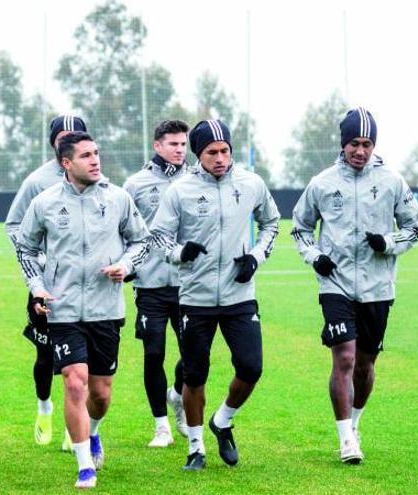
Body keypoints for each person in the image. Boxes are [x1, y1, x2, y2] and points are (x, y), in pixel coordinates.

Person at [15, 131, 150, 489]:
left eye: (96, 153)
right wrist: (37, 287)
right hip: (63, 308)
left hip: (107, 308)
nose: (95, 160)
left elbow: (142, 241)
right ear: (66, 162)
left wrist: (125, 265)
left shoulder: (118, 198)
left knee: (100, 392)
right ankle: (84, 466)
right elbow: (25, 249)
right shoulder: (44, 202)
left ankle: (93, 433)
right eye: (86, 155)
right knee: (75, 383)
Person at [291, 108, 418, 464]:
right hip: (335, 284)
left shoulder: (393, 181)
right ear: (342, 144)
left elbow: (415, 226)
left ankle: (356, 421)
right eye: (354, 144)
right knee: (345, 357)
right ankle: (346, 438)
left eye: (366, 144)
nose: (360, 151)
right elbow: (300, 229)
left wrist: (388, 243)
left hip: (378, 287)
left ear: (374, 145)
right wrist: (315, 256)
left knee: (364, 365)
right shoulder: (322, 182)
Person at [149, 119, 279, 471]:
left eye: (225, 151)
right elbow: (158, 237)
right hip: (195, 297)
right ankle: (196, 447)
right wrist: (179, 252)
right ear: (198, 154)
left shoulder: (251, 183)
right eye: (211, 152)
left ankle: (222, 420)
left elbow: (272, 223)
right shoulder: (180, 190)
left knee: (252, 367)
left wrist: (256, 256)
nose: (220, 158)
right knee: (194, 375)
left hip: (240, 295)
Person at [5, 114, 87, 448]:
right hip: (46, 285)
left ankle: (75, 428)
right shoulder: (37, 182)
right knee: (45, 354)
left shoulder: (95, 177)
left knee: (82, 360)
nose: (67, 139)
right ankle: (44, 407)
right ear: (52, 141)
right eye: (62, 135)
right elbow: (13, 226)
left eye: (75, 134)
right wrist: (38, 260)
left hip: (84, 287)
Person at [122, 119, 190, 448]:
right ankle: (161, 426)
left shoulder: (196, 180)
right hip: (149, 285)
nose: (179, 150)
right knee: (154, 353)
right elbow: (121, 229)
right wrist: (127, 264)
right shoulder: (135, 184)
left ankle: (176, 394)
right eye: (173, 144)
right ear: (158, 145)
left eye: (183, 144)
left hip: (190, 284)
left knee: (194, 356)